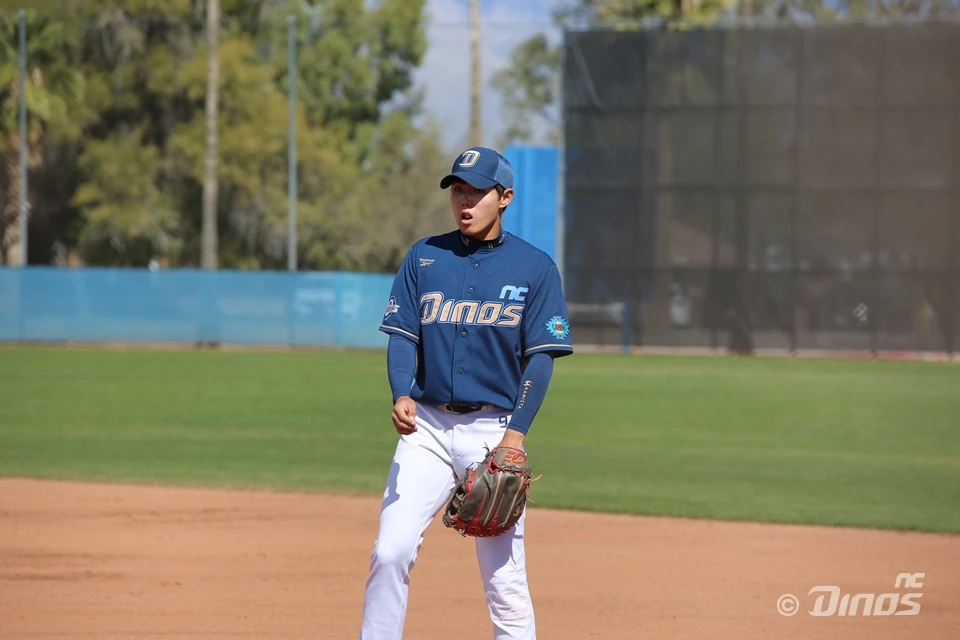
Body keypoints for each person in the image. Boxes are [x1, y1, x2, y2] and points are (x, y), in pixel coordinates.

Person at [358, 147, 574, 639]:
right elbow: (402, 337)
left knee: (503, 577)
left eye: (477, 191)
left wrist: (515, 435)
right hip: (427, 428)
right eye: (458, 190)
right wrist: (400, 392)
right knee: (390, 551)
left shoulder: (535, 267)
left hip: (493, 433)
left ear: (505, 197)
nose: (465, 201)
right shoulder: (424, 257)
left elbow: (541, 358)